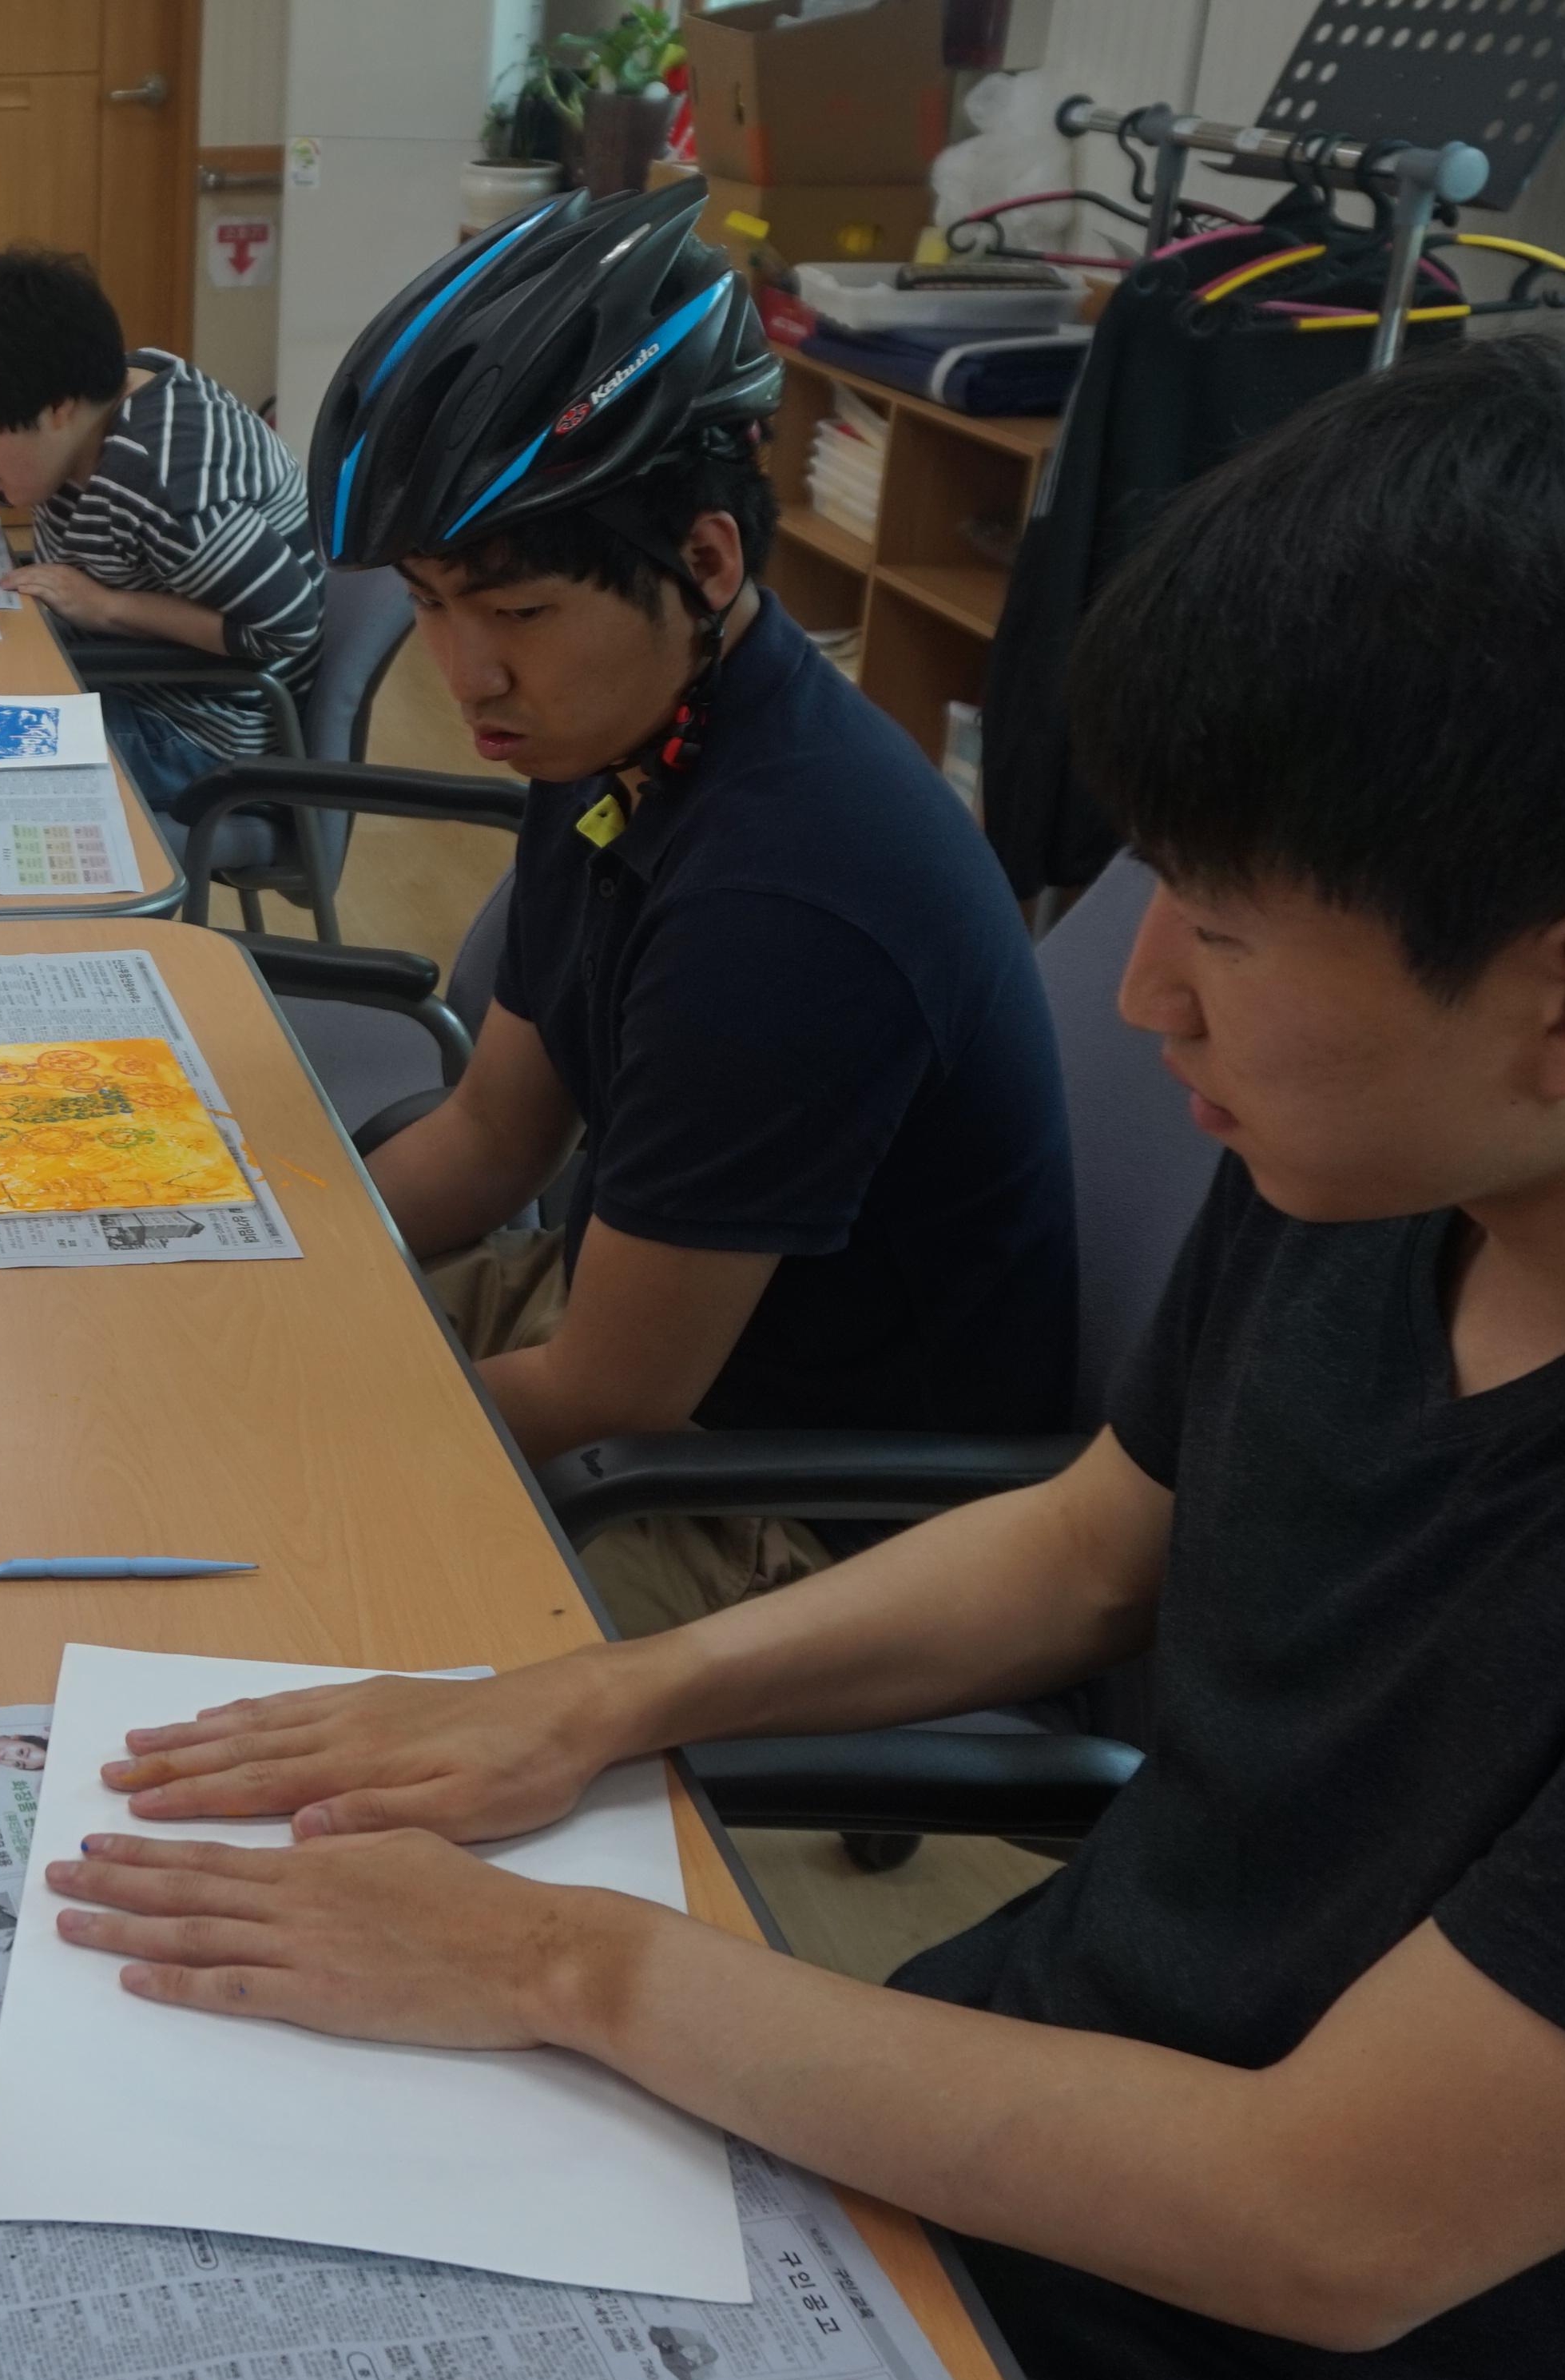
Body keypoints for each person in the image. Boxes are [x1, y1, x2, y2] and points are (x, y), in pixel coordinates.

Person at [61, 339, 1565, 2380]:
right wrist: (587, 1701)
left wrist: (557, 1965)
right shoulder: (1410, 1151)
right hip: (989, 2140)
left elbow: (1330, 2221)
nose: (1140, 993)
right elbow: (1089, 1543)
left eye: (1222, 928)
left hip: (1230, 2366)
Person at [312, 182, 1074, 1629]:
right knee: (179, 1362)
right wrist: (274, 1263)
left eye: (516, 610)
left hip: (778, 1501)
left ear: (704, 564)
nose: (467, 672)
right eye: (428, 600)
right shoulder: (619, 732)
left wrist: (294, 1430)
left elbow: (614, 1394)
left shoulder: (784, 901)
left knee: (262, 1558)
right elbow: (491, 1138)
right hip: (626, 1350)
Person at [0, 246, 327, 819]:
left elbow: (287, 629)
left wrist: (107, 608)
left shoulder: (166, 489)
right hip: (115, 672)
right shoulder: (94, 400)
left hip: (200, 735)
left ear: (57, 408)